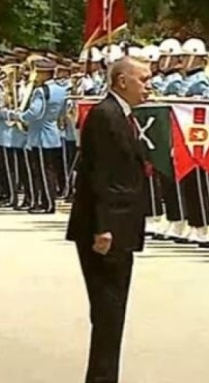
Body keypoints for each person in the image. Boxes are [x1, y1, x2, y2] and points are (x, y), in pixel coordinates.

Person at [65, 55, 152, 383]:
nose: (149, 86)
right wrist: (103, 228)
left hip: (119, 225)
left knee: (110, 313)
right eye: (143, 79)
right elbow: (100, 176)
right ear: (122, 81)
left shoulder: (120, 114)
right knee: (108, 311)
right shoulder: (106, 116)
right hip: (106, 229)